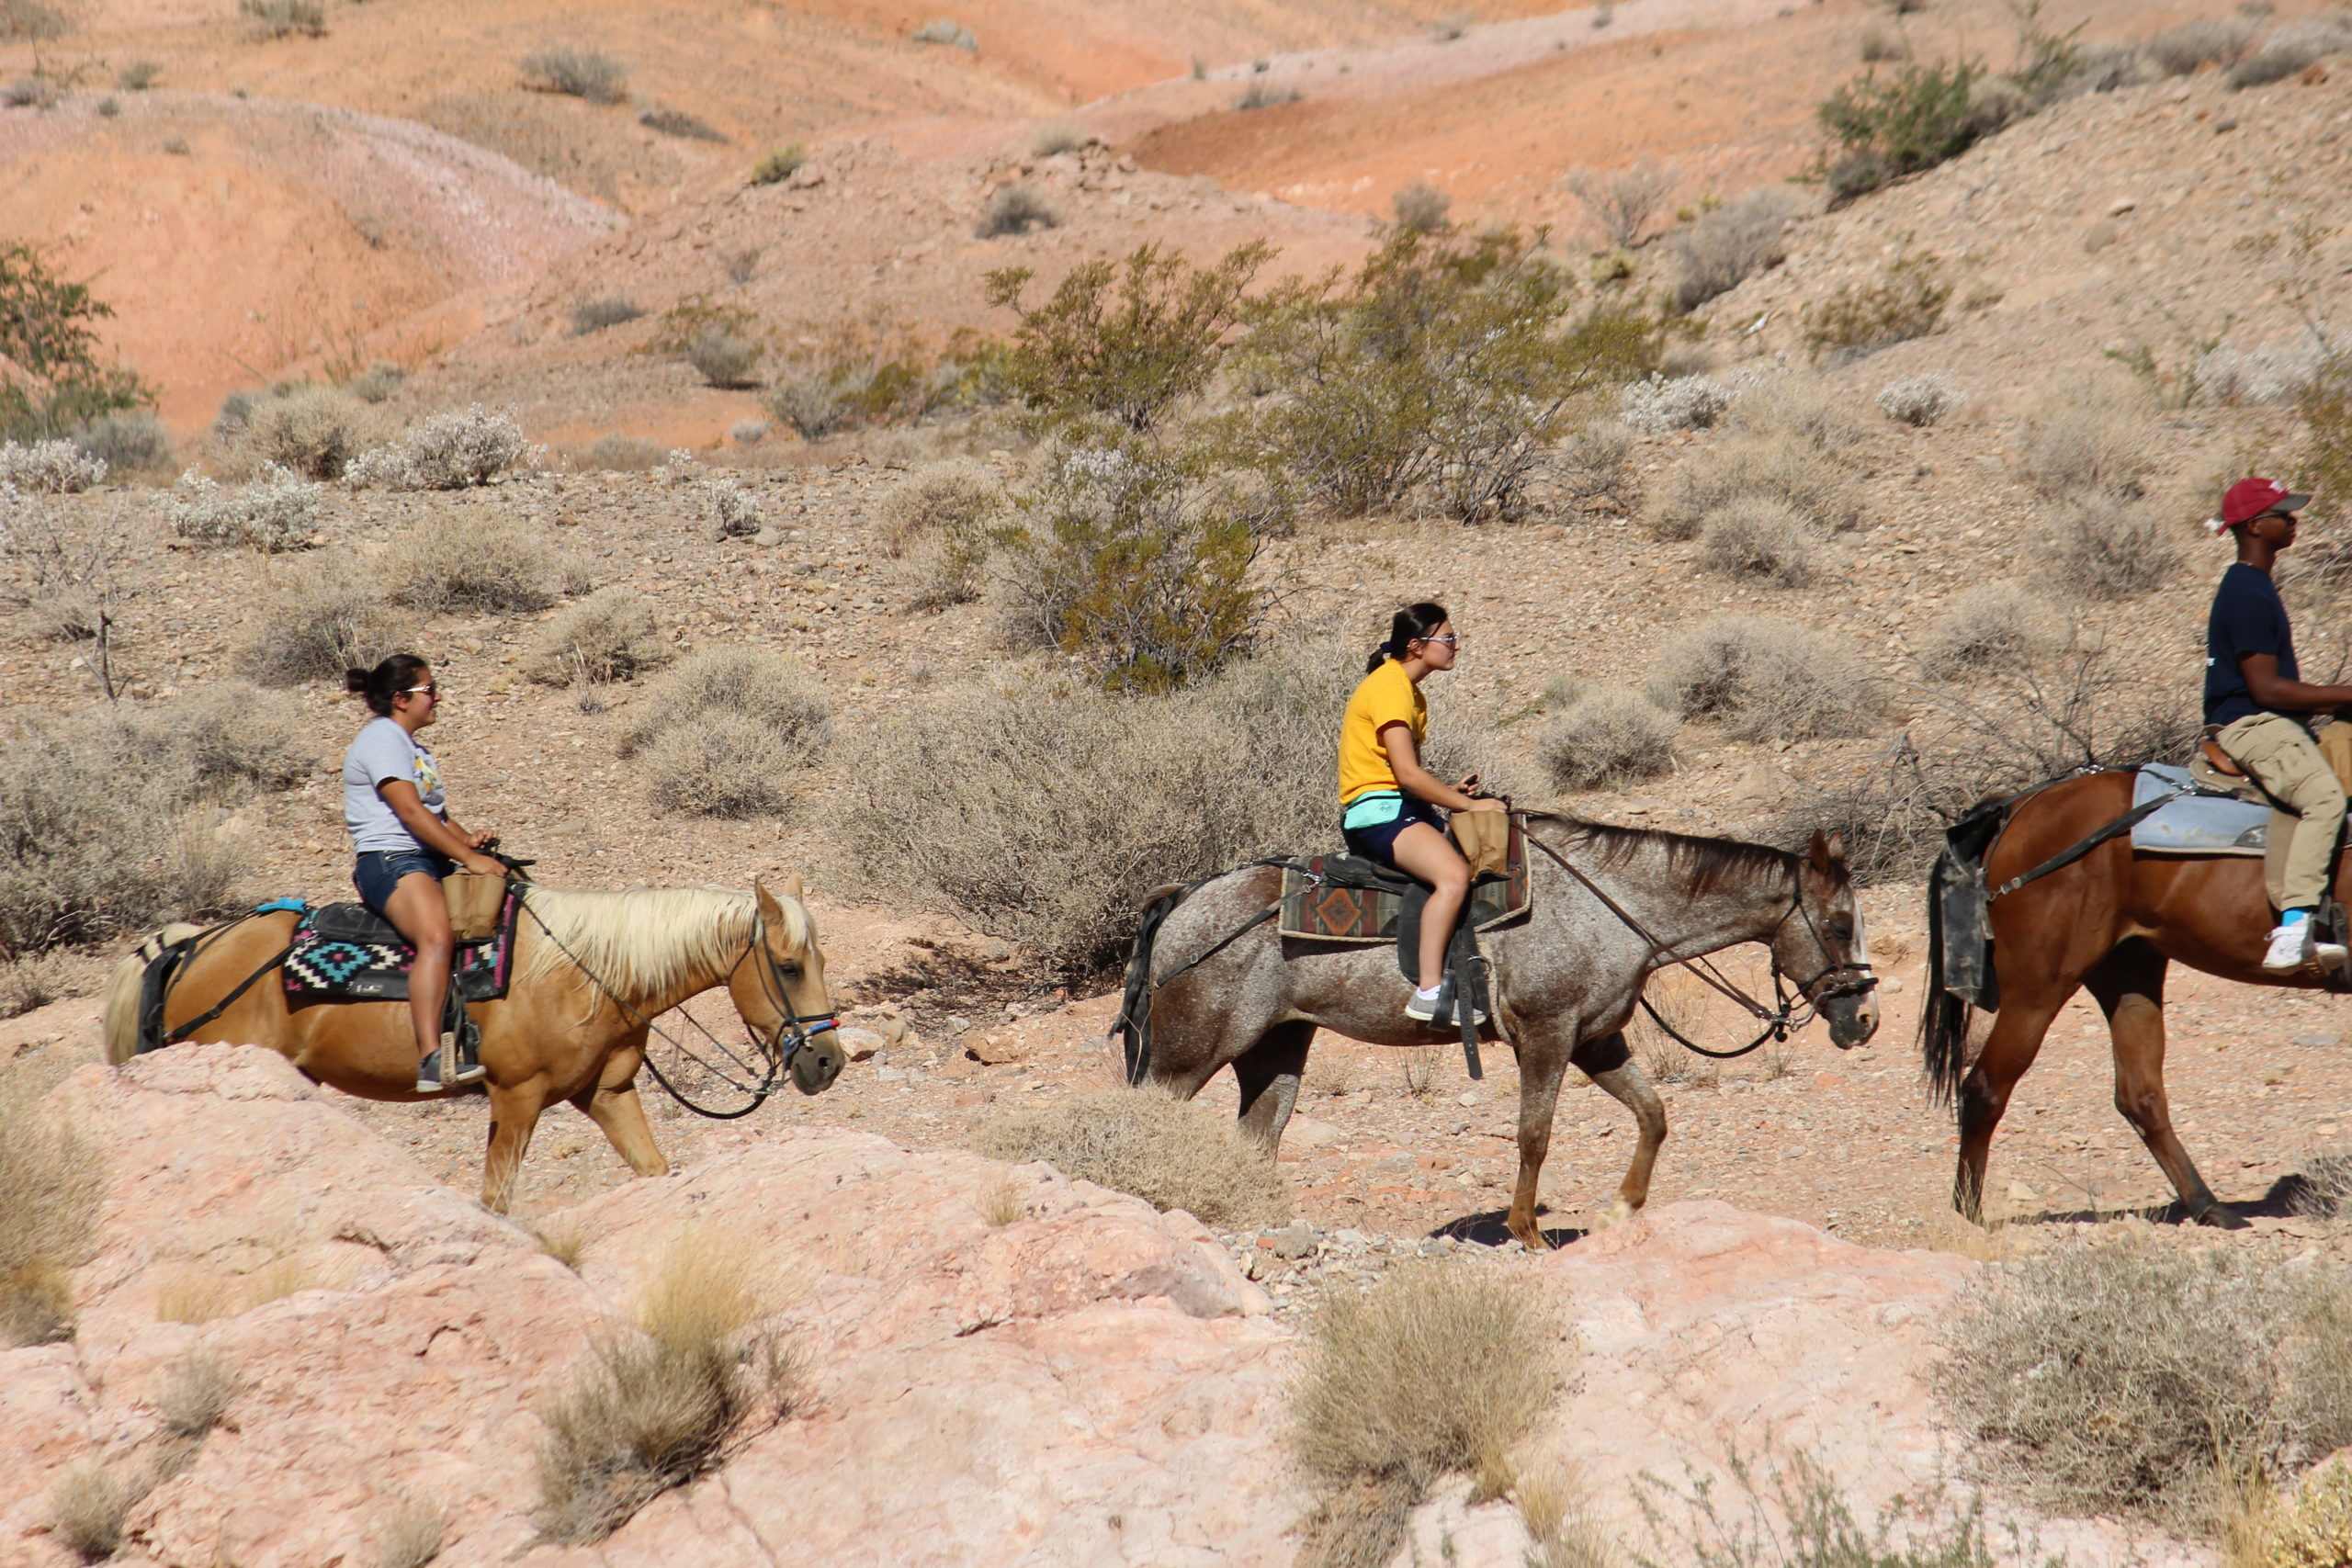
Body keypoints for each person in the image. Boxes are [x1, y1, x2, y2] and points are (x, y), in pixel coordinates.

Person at [2202, 477, 2352, 973]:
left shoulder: (2257, 585)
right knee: (2324, 798)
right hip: (2250, 723)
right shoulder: (2246, 591)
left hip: (2273, 717)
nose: (2293, 520)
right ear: (2254, 526)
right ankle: (2293, 928)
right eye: (2282, 513)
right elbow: (2266, 689)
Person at [343, 654, 508, 1090]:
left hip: (426, 857)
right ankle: (431, 1057)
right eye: (429, 690)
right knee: (437, 936)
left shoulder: (415, 749)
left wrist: (469, 841)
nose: (438, 697)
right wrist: (469, 860)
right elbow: (411, 814)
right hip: (390, 860)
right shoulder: (382, 739)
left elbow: (437, 816)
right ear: (400, 699)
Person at [1338, 602, 1508, 1021]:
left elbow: (1403, 777)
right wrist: (1468, 804)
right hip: (1377, 814)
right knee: (1452, 876)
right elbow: (1408, 776)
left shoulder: (1411, 691)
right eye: (1448, 638)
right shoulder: (1390, 687)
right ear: (1416, 646)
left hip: (1398, 805)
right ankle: (1428, 991)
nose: (1456, 646)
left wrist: (1449, 793)